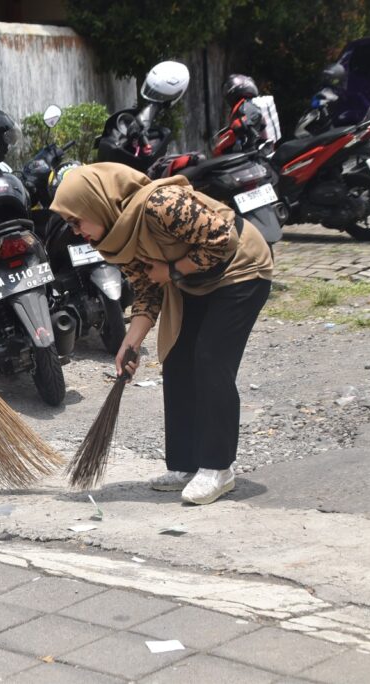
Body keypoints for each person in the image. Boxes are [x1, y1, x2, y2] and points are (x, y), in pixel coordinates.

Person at [50, 163, 273, 505]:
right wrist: (131, 341)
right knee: (178, 359)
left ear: (94, 203)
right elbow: (148, 288)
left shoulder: (160, 204)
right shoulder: (114, 235)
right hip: (192, 281)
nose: (77, 231)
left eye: (76, 220)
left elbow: (220, 239)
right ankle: (186, 465)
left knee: (211, 359)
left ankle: (218, 468)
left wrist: (171, 270)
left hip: (240, 269)